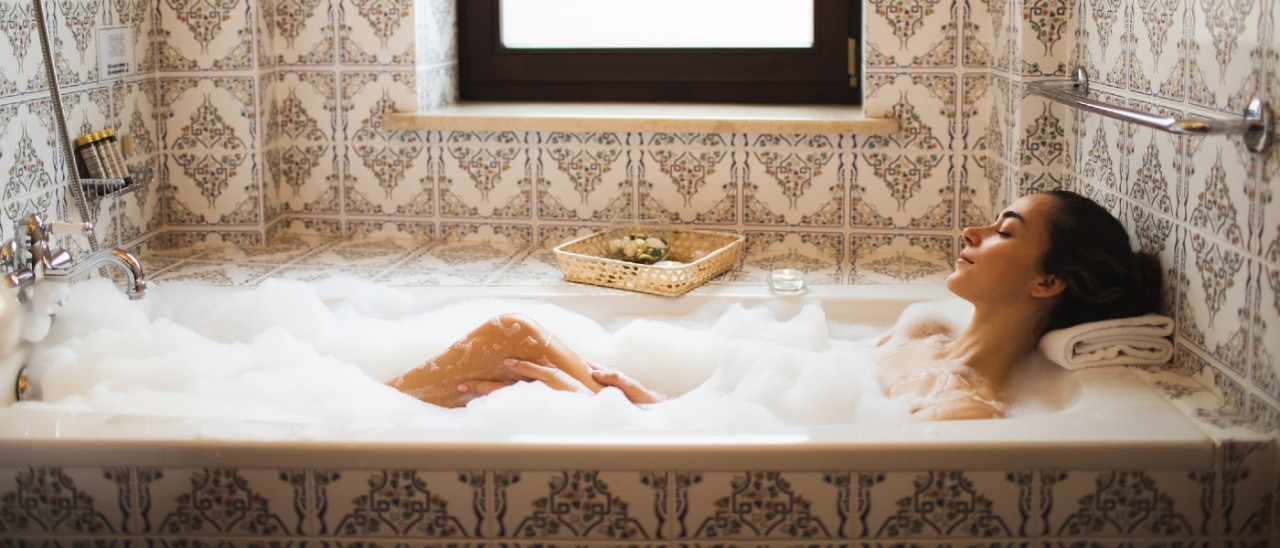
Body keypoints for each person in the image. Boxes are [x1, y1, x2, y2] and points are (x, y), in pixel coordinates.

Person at [387, 189, 1162, 420]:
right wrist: (647, 403)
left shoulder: (967, 404)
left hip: (675, 448)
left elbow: (798, 466)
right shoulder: (926, 330)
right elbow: (774, 414)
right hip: (680, 421)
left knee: (509, 337)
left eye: (1005, 231)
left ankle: (338, 420)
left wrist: (607, 417)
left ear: (1047, 282)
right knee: (509, 337)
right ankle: (352, 414)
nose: (972, 232)